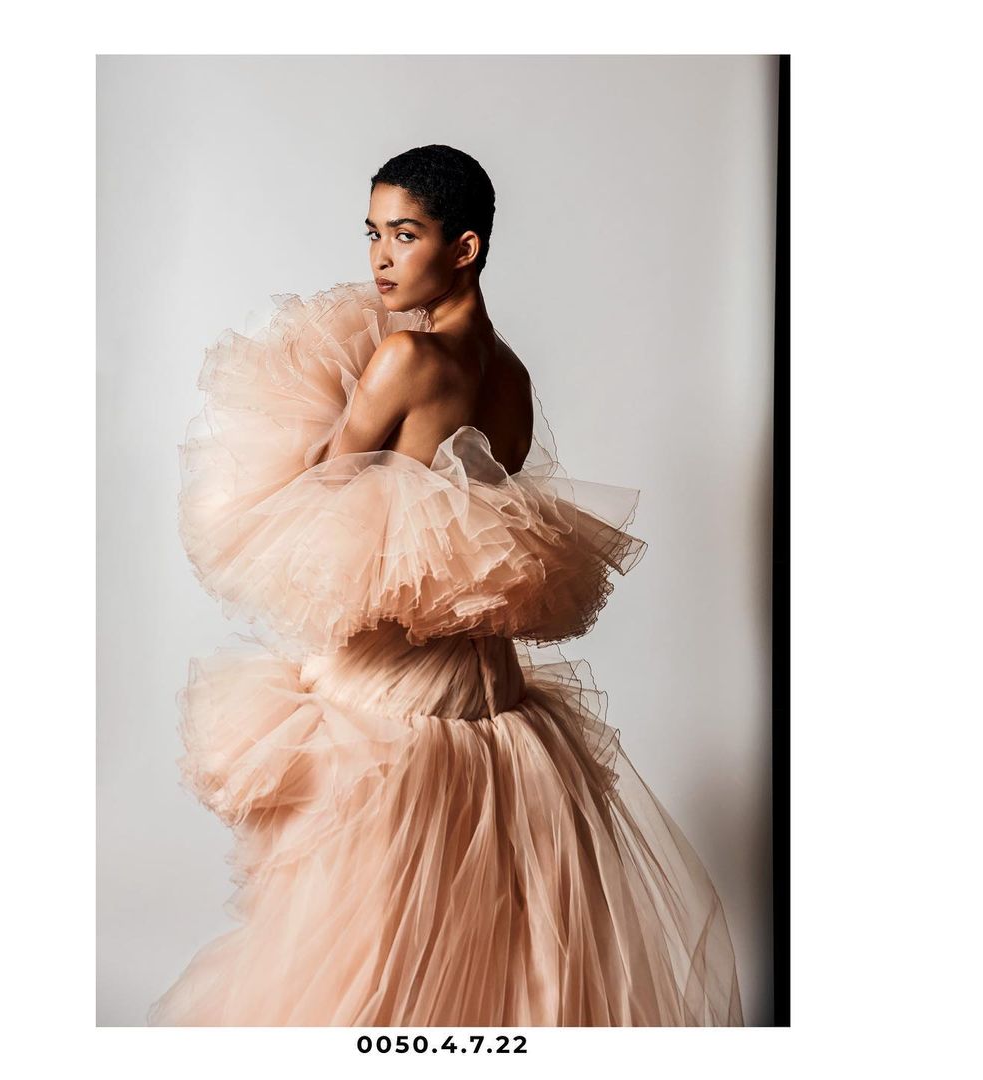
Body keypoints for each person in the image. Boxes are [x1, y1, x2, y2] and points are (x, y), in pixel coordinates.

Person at [147, 145, 744, 1026]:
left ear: (464, 248)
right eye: (372, 234)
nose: (380, 258)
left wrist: (314, 415)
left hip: (390, 689)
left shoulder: (404, 360)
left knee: (361, 925)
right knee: (475, 923)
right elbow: (474, 527)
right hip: (485, 686)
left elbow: (322, 489)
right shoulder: (512, 374)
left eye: (405, 234)